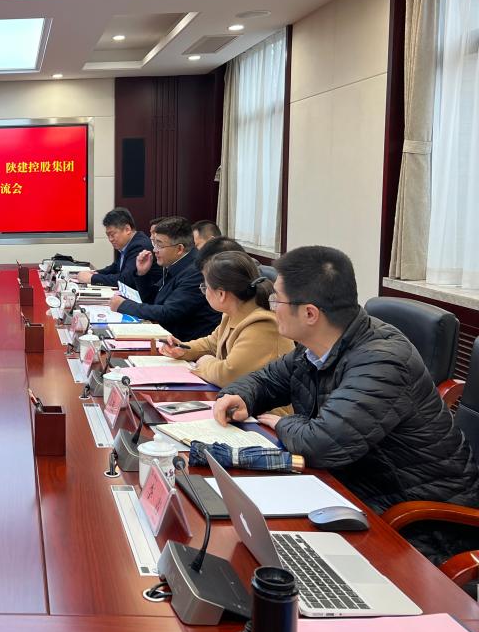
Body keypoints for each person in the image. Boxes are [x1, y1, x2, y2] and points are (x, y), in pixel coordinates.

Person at [213, 246, 479, 527]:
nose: (272, 307)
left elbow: (321, 445)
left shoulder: (383, 361)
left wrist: (283, 423)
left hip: (422, 518)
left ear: (310, 314)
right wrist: (240, 396)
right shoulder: (317, 346)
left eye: (277, 300)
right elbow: (267, 379)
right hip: (350, 487)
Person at [159, 251, 294, 388]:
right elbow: (211, 344)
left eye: (205, 287)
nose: (204, 292)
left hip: (264, 402)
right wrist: (183, 349)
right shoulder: (233, 313)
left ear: (221, 294)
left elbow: (228, 375)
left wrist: (205, 362)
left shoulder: (262, 325)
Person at [109, 216, 221, 341]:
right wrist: (142, 274)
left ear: (179, 249)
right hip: (168, 335)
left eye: (160, 245)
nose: (154, 250)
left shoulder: (196, 271)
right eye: (154, 243)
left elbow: (168, 313)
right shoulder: (177, 263)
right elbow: (154, 301)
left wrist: (124, 305)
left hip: (187, 343)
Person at [76, 207, 158, 287]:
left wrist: (92, 278)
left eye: (112, 234)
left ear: (127, 229)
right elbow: (114, 268)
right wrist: (94, 273)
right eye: (108, 235)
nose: (110, 239)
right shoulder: (127, 244)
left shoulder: (140, 246)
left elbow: (125, 280)